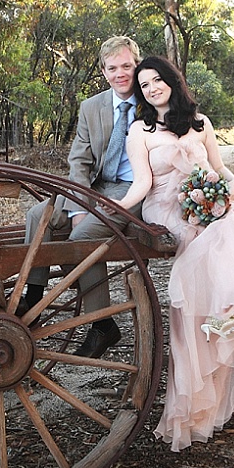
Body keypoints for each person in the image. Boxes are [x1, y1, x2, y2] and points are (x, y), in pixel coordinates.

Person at [109, 55, 234, 451]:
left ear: (172, 80)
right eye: (145, 85)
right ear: (141, 93)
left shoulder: (201, 123)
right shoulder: (139, 130)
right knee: (199, 239)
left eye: (158, 79)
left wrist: (229, 193)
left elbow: (222, 171)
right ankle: (209, 330)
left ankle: (227, 318)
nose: (153, 87)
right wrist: (120, 208)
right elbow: (142, 183)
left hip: (205, 200)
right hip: (165, 207)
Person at [21, 36, 145, 358]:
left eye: (127, 66)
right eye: (113, 68)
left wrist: (85, 217)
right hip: (98, 185)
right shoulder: (92, 107)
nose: (121, 74)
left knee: (83, 235)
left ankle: (102, 325)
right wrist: (80, 204)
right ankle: (33, 297)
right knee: (39, 216)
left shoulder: (153, 99)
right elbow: (79, 162)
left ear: (137, 65)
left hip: (134, 190)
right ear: (104, 71)